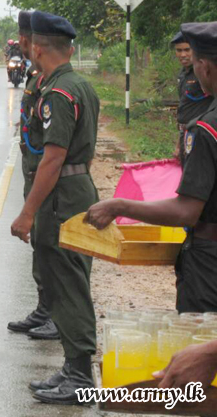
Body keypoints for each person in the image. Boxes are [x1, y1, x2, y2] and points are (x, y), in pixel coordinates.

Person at [85, 21, 217, 314]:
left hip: (210, 265)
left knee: (202, 348)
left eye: (194, 61)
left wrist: (119, 206)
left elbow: (186, 210)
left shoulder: (207, 129)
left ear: (205, 66)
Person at [10, 11, 99, 405]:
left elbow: (52, 158)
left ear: (40, 47)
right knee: (64, 280)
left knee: (67, 282)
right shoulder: (76, 84)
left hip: (62, 193)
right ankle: (71, 366)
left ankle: (80, 375)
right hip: (71, 189)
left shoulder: (58, 93)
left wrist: (28, 211)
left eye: (31, 43)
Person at [6, 11, 60, 341]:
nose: (24, 44)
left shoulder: (54, 84)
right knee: (40, 244)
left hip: (49, 175)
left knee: (53, 247)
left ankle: (57, 312)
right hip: (33, 170)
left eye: (25, 38)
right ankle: (44, 306)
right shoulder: (34, 77)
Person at [171, 31, 214, 164]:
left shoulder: (204, 72)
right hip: (186, 133)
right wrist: (179, 142)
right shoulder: (183, 74)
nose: (183, 54)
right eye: (179, 50)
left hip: (201, 134)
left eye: (187, 50)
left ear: (195, 50)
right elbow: (185, 109)